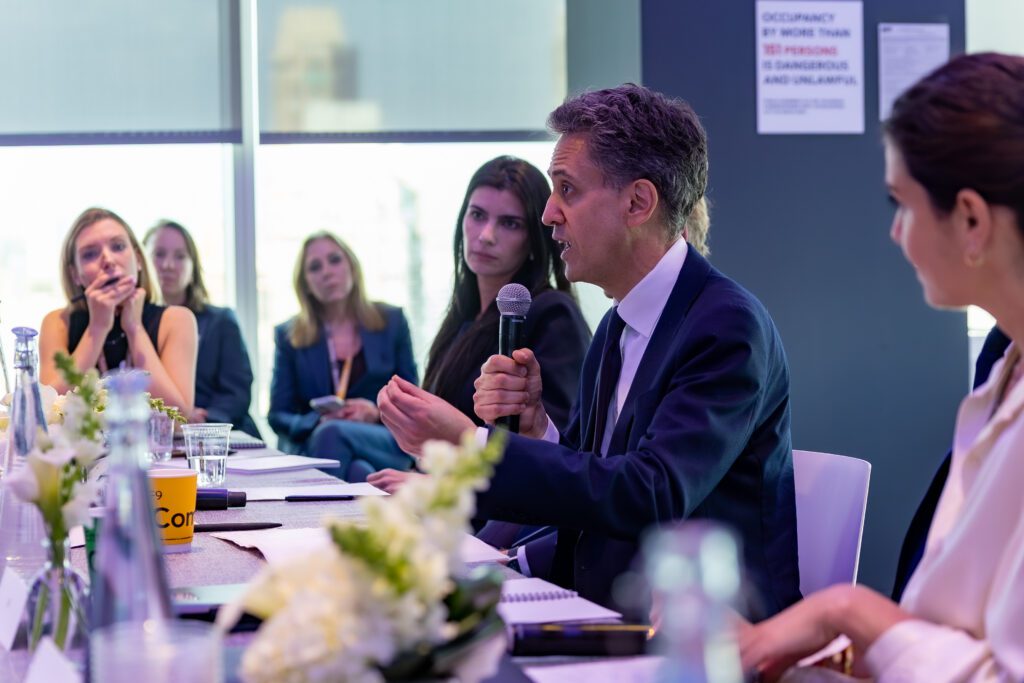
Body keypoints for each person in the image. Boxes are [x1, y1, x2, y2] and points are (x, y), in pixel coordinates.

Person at [377, 84, 801, 619]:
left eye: (567, 190)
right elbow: (590, 481)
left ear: (637, 203)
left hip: (705, 639)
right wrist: (537, 431)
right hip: (609, 613)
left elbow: (651, 494)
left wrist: (470, 445)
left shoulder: (725, 326)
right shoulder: (616, 324)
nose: (549, 213)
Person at [740, 53, 1024, 681]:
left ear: (972, 221)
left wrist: (846, 612)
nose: (896, 234)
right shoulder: (1002, 368)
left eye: (903, 204)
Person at [354, 156, 590, 489]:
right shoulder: (463, 318)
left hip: (497, 517)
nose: (486, 235)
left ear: (536, 238)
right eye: (477, 215)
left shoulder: (552, 313)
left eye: (510, 223)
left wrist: (435, 486)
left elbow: (556, 452)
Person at [268, 232, 417, 455]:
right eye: (315, 267)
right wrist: (317, 421)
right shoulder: (289, 335)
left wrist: (376, 412)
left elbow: (412, 397)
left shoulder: (392, 321)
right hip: (320, 442)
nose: (327, 272)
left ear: (352, 267)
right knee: (348, 457)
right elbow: (278, 415)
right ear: (305, 284)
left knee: (334, 436)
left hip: (380, 438)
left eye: (335, 260)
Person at [40, 207, 197, 413]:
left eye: (118, 246)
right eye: (90, 254)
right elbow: (46, 412)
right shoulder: (58, 322)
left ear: (138, 259)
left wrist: (134, 327)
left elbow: (178, 419)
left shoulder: (177, 320)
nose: (108, 260)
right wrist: (97, 329)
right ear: (75, 274)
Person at [143, 220, 261, 438]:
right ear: (141, 260)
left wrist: (203, 418)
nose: (168, 265)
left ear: (193, 267)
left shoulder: (221, 321)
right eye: (159, 254)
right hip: (156, 437)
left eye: (180, 256)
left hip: (221, 435)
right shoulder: (132, 326)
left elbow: (237, 391)